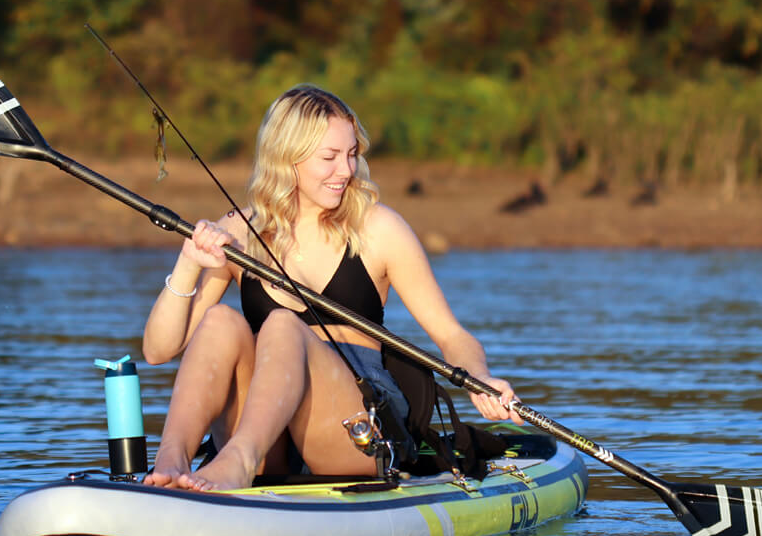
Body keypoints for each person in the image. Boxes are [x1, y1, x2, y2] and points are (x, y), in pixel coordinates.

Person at [140, 84, 518, 491]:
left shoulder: (379, 229)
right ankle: (170, 462)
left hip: (356, 423)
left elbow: (451, 335)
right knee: (219, 321)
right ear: (287, 158)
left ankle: (237, 463)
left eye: (352, 154)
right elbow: (158, 351)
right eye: (330, 157)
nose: (346, 170)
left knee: (283, 325)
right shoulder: (239, 231)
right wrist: (188, 263)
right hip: (268, 430)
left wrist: (481, 377)